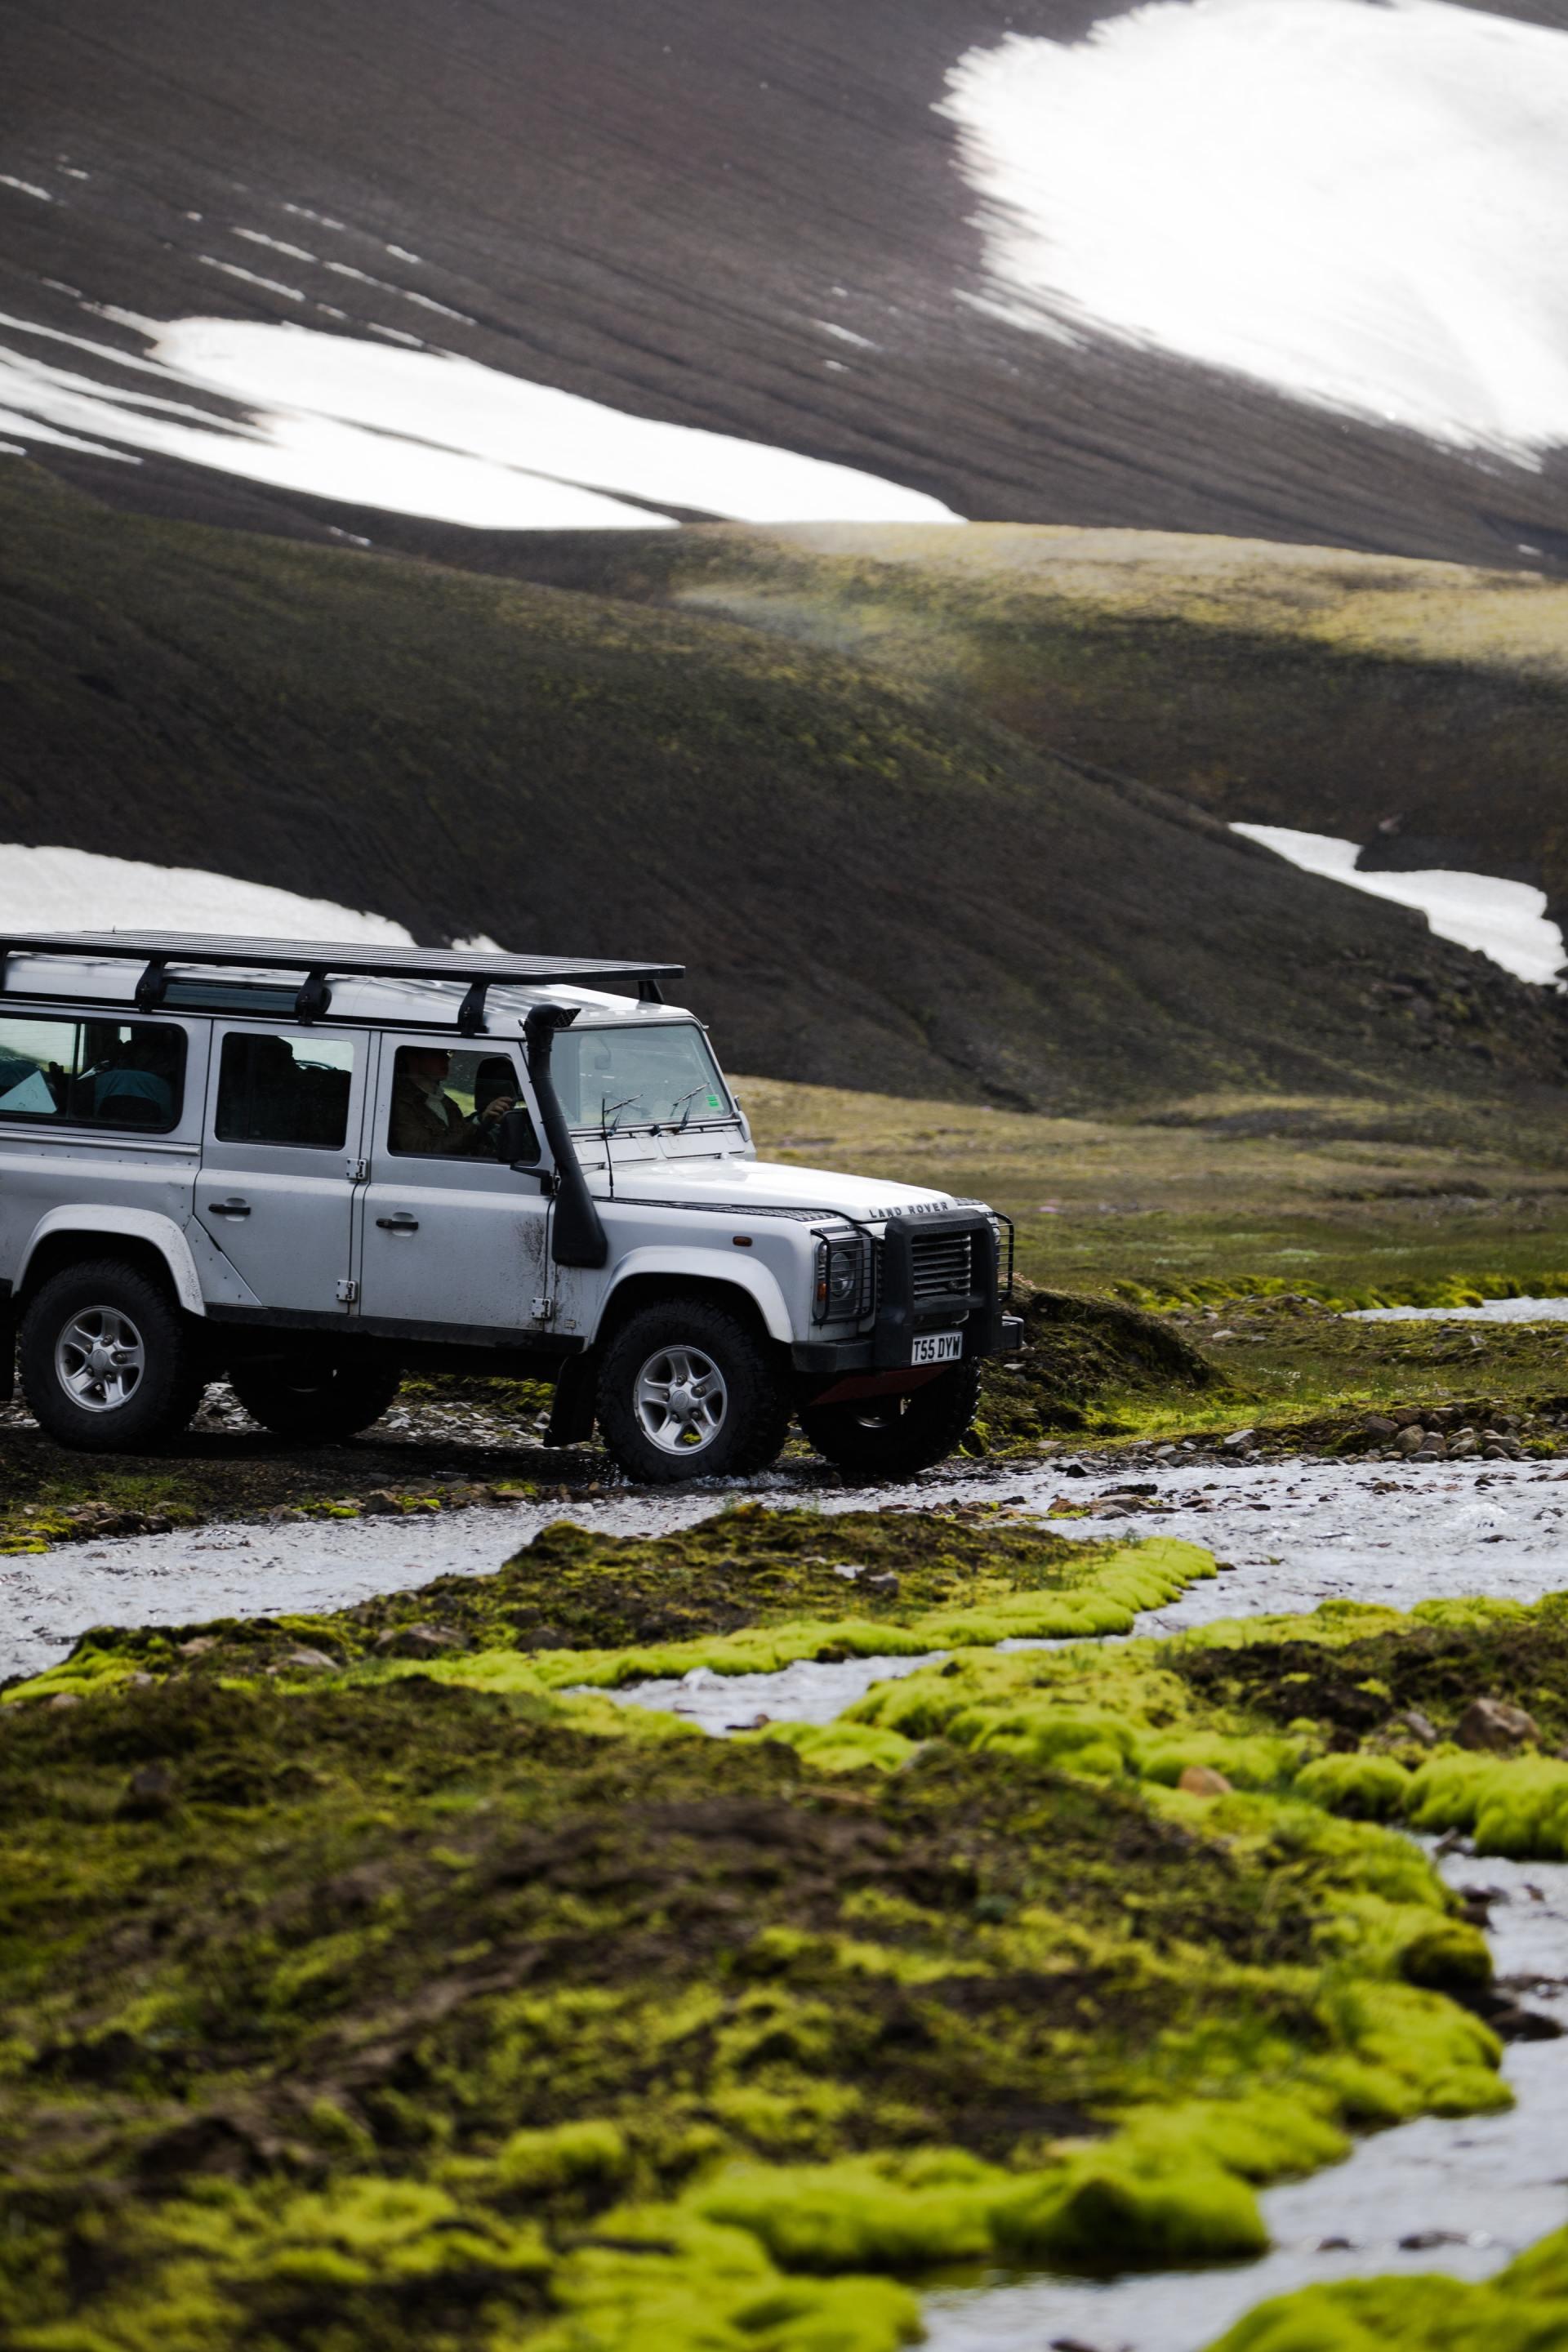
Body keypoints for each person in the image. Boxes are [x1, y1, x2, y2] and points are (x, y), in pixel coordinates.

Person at [390, 1047, 515, 1157]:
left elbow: (465, 1144)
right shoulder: (399, 1104)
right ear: (413, 1058)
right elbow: (427, 1154)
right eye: (437, 1052)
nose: (446, 1058)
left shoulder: (445, 1102)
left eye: (447, 1052)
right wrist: (479, 1122)